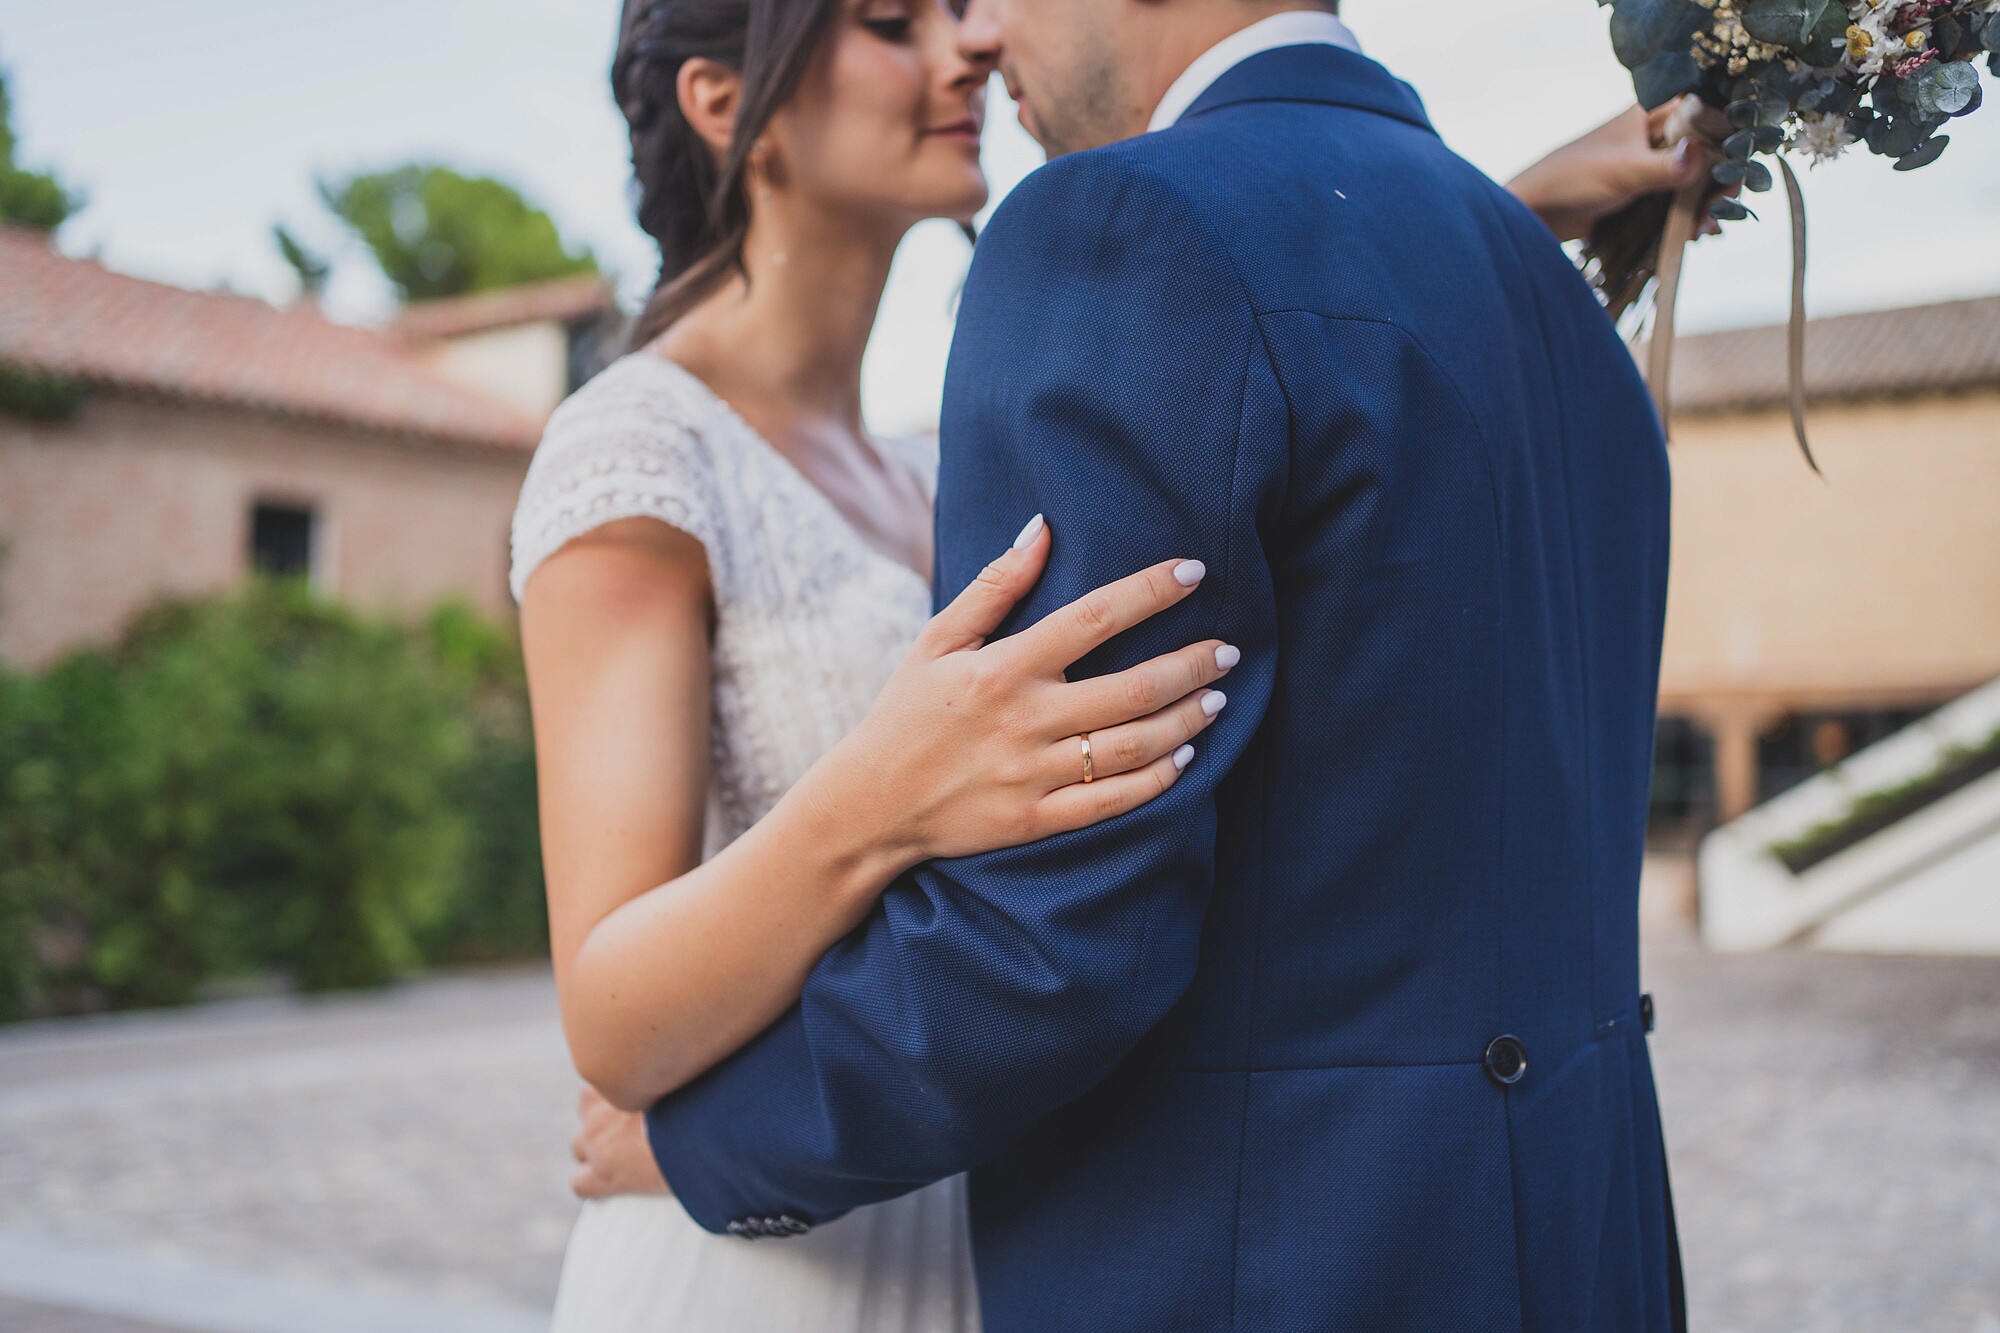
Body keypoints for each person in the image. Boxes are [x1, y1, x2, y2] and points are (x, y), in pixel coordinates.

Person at [527, 1, 1695, 1328]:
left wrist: (712, 1140)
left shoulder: (1054, 311)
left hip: (1050, 1206)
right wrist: (875, 795)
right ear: (723, 105)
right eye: (890, 20)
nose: (972, 39)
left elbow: (1069, 928)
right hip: (827, 1241)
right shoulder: (1549, 308)